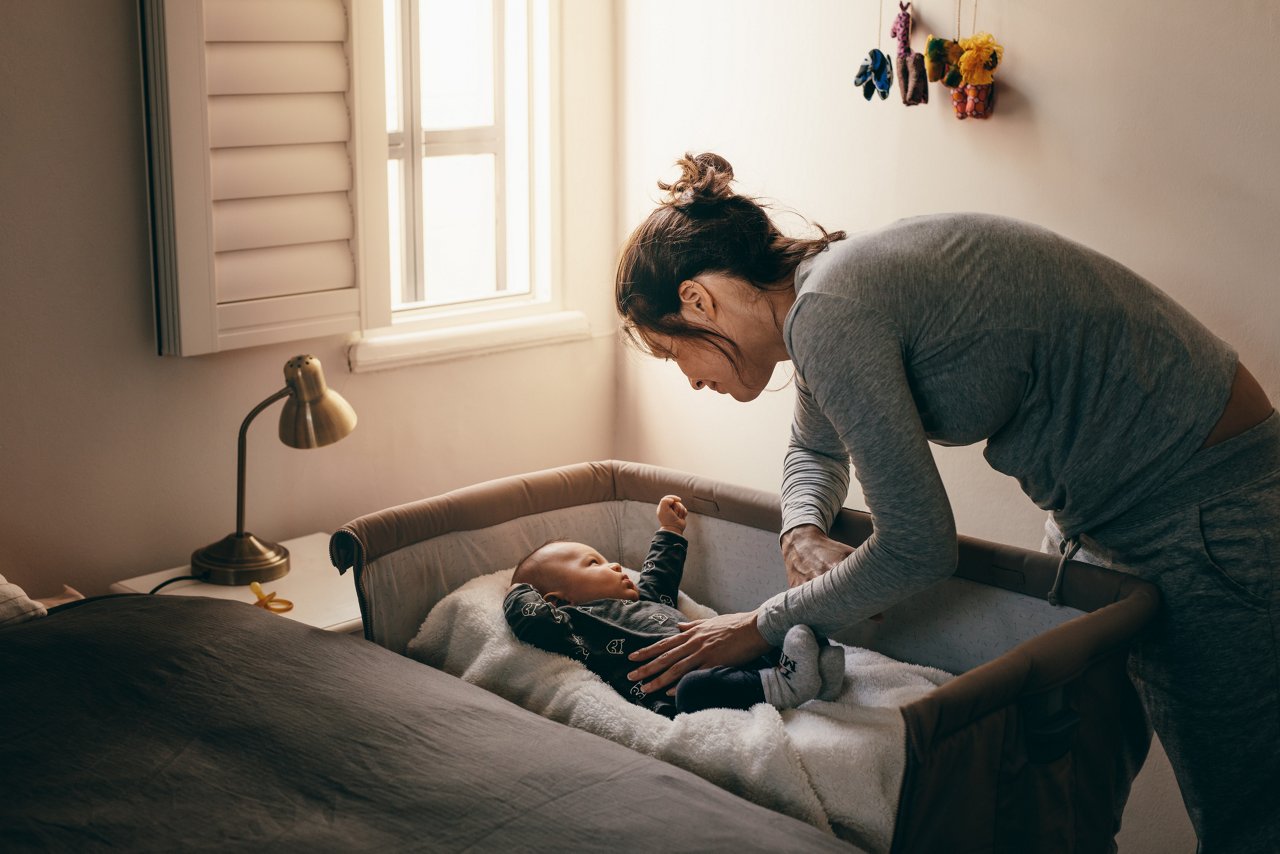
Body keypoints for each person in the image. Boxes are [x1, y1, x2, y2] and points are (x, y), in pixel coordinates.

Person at [613, 152, 1278, 852]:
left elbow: (919, 545)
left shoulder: (830, 312)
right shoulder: (821, 302)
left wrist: (762, 624)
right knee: (1064, 791)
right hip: (1100, 511)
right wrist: (801, 528)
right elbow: (813, 451)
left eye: (670, 353)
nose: (687, 380)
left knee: (1245, 812)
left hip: (1200, 500)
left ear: (697, 301)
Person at [503, 494, 845, 718]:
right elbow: (533, 621)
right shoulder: (575, 625)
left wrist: (669, 529)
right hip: (679, 690)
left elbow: (659, 578)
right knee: (695, 689)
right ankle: (783, 685)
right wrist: (518, 589)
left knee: (784, 630)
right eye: (594, 564)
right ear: (558, 601)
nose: (616, 566)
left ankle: (811, 676)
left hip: (724, 653)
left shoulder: (644, 600)